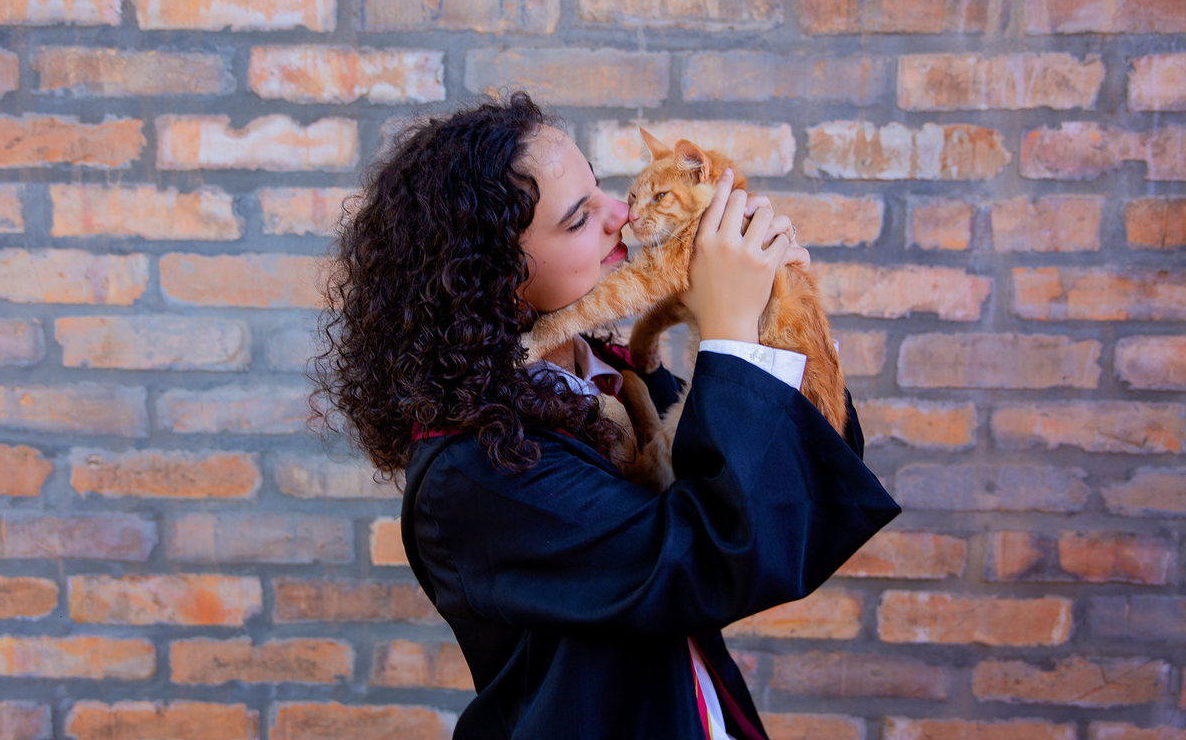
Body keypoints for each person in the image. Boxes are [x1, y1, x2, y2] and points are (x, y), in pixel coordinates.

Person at [312, 92, 901, 740]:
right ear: (496, 275)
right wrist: (733, 337)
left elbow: (782, 515)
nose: (621, 214)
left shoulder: (616, 377)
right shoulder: (476, 471)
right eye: (578, 219)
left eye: (600, 191)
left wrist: (788, 330)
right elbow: (707, 559)